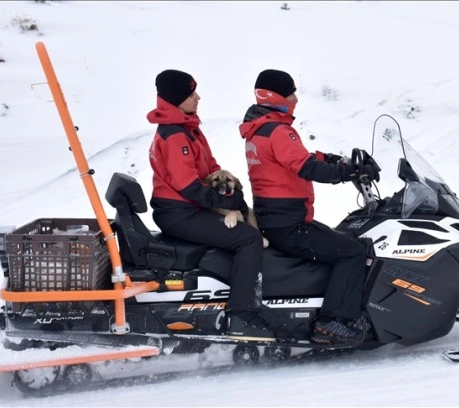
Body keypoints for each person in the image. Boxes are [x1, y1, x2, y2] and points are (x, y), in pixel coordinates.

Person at [239, 69, 380, 345]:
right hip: (289, 224)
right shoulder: (278, 130)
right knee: (351, 252)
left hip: (276, 220)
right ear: (276, 96)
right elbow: (304, 166)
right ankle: (333, 321)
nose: (295, 99)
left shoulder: (260, 130)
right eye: (290, 93)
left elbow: (297, 157)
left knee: (341, 241)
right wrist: (347, 172)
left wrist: (331, 158)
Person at [147, 69, 272, 340]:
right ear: (176, 98)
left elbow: (211, 167)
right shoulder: (175, 134)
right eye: (191, 94)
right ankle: (241, 314)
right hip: (179, 213)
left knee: (245, 222)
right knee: (248, 238)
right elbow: (188, 185)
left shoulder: (188, 127)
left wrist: (233, 195)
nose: (197, 97)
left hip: (187, 207)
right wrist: (223, 202)